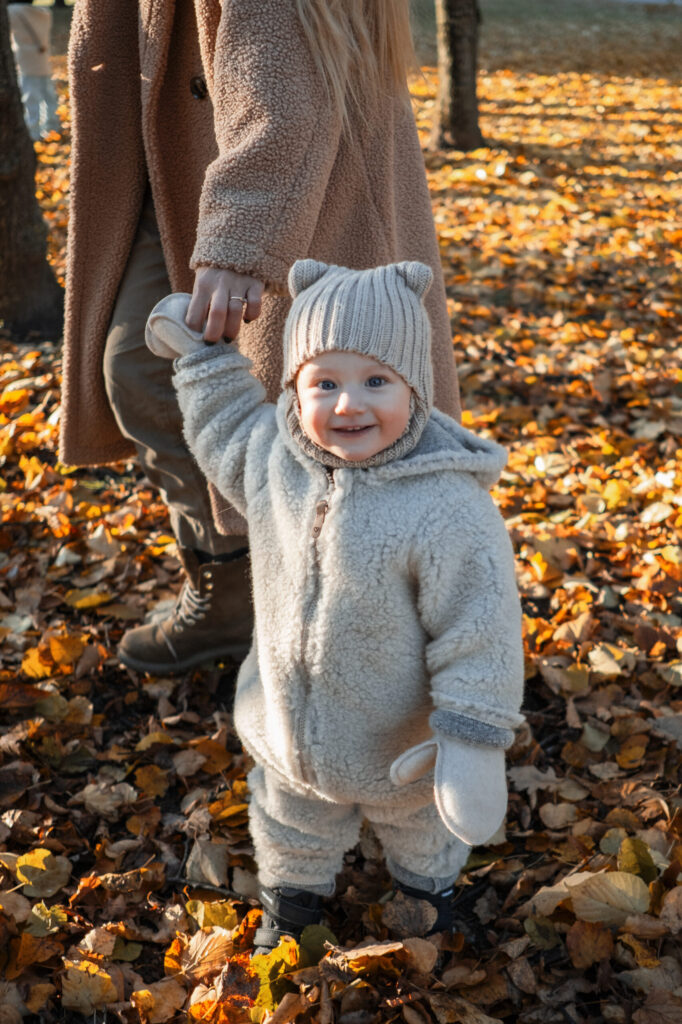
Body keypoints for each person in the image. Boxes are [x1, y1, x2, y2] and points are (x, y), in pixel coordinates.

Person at [58, 0, 461, 676]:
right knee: (141, 366)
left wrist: (244, 235)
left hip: (290, 170)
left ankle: (360, 638)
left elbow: (283, 57)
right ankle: (234, 582)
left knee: (330, 408)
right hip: (176, 152)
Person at [144, 259, 524, 949]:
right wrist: (204, 361)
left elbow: (480, 628)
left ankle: (426, 891)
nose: (348, 405)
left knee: (423, 827)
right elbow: (226, 427)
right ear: (295, 389)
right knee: (290, 822)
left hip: (401, 746)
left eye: (376, 381)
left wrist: (471, 736)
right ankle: (295, 904)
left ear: (414, 386)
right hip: (289, 729)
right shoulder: (276, 459)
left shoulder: (445, 506)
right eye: (325, 383)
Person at [8, 1, 60, 140]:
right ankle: (53, 127)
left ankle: (34, 133)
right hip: (42, 58)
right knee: (48, 95)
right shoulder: (44, 12)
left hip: (25, 61)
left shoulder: (13, 11)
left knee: (31, 98)